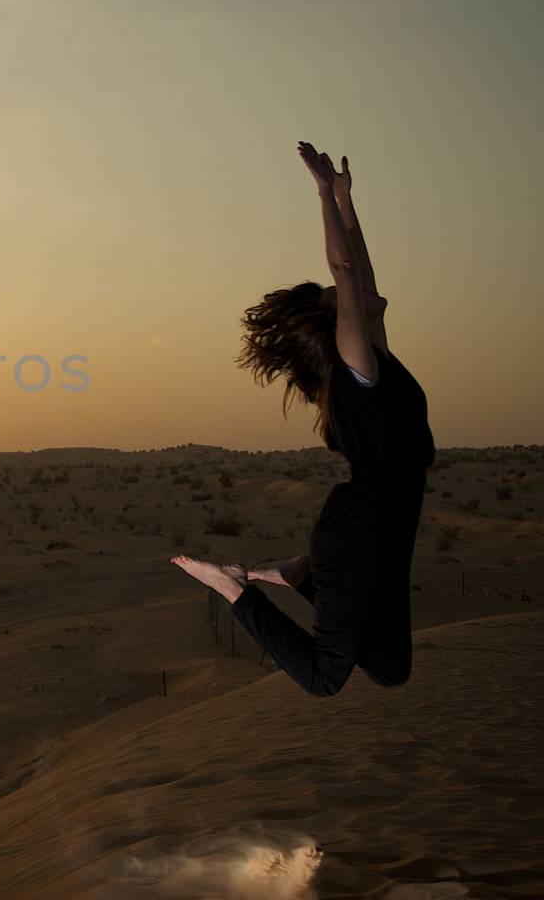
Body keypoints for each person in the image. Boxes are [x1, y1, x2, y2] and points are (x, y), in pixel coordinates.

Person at [170, 141, 435, 696]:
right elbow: (344, 269)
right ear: (338, 317)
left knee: (391, 667)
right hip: (361, 527)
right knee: (323, 677)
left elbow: (357, 269)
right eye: (342, 295)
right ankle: (235, 590)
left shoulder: (376, 364)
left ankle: (298, 575)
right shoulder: (355, 370)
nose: (363, 292)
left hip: (384, 520)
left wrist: (345, 200)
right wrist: (321, 194)